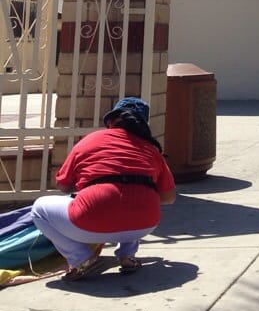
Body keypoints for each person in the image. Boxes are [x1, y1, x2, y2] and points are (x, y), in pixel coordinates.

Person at [31, 96, 176, 280]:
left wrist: (90, 185)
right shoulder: (152, 149)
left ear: (111, 121)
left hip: (89, 222)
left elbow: (63, 185)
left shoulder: (90, 140)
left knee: (39, 208)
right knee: (133, 196)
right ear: (143, 124)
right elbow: (169, 197)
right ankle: (127, 255)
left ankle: (79, 257)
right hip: (145, 224)